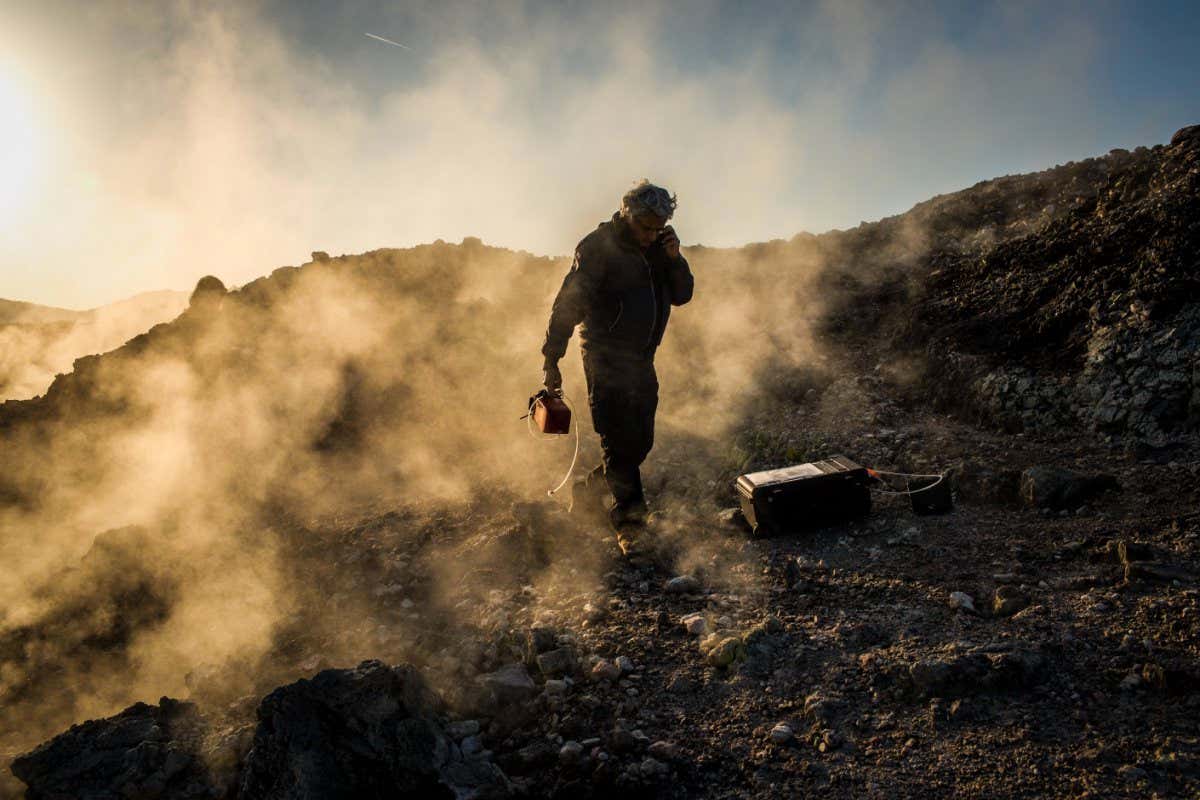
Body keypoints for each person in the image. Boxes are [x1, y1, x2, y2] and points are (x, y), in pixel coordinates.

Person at [540, 180, 694, 555]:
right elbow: (568, 304)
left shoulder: (660, 247)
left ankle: (589, 491)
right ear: (627, 214)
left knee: (639, 443)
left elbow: (682, 295)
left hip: (642, 358)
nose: (650, 235)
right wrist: (551, 357)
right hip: (604, 357)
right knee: (616, 439)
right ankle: (631, 522)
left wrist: (674, 260)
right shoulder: (597, 248)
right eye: (645, 227)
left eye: (658, 228)